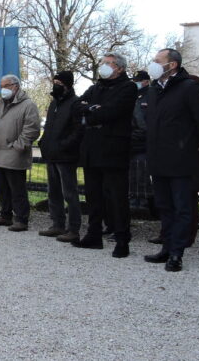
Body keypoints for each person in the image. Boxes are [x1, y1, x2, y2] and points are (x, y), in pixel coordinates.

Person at [144, 49, 199, 272]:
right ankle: (166, 246)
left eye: (158, 61)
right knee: (164, 206)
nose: (153, 64)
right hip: (158, 157)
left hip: (181, 159)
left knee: (182, 206)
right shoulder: (155, 89)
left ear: (172, 65)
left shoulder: (188, 88)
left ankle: (177, 253)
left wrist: (195, 143)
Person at [71, 53, 138, 257]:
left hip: (114, 150)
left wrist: (91, 112)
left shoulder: (128, 87)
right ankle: (93, 235)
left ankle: (122, 239)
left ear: (119, 68)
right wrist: (91, 109)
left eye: (108, 64)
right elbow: (77, 106)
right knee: (93, 196)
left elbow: (112, 112)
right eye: (103, 63)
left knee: (116, 198)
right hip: (92, 149)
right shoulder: (96, 87)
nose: (104, 67)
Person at [0, 74, 41, 232]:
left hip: (15, 153)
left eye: (6, 86)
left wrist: (19, 146)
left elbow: (32, 128)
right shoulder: (0, 103)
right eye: (1, 86)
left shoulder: (28, 105)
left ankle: (21, 219)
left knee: (17, 189)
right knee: (2, 187)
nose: (3, 89)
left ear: (16, 86)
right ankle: (5, 215)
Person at [38, 71, 83, 241]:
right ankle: (57, 224)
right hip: (51, 154)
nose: (55, 85)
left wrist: (64, 145)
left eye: (59, 82)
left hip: (66, 156)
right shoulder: (53, 104)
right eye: (54, 81)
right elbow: (49, 127)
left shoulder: (75, 103)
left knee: (69, 193)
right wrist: (44, 142)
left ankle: (73, 229)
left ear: (67, 84)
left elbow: (78, 130)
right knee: (53, 191)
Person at [129, 71, 154, 217]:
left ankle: (143, 203)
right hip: (132, 140)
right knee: (132, 174)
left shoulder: (150, 95)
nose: (135, 83)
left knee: (142, 173)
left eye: (137, 81)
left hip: (144, 141)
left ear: (145, 81)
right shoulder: (133, 96)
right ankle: (133, 201)